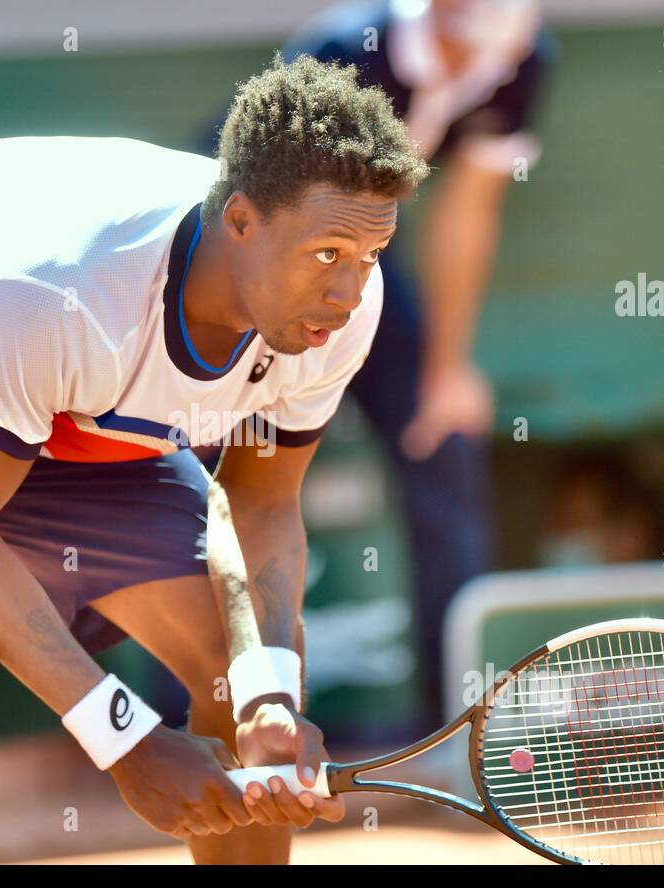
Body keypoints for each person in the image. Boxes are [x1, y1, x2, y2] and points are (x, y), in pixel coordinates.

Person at [0, 53, 429, 863]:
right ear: (240, 220)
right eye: (328, 254)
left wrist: (267, 693)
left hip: (39, 403)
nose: (349, 292)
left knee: (234, 673)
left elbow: (262, 503)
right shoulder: (65, 291)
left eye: (370, 255)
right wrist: (124, 739)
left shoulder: (340, 312)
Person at [189, 0, 554, 733]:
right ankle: (191, 718)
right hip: (239, 257)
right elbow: (280, 216)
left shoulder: (522, 59)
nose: (473, 63)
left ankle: (461, 720)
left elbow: (465, 210)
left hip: (352, 258)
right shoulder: (344, 49)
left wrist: (444, 372)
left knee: (440, 435)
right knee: (194, 471)